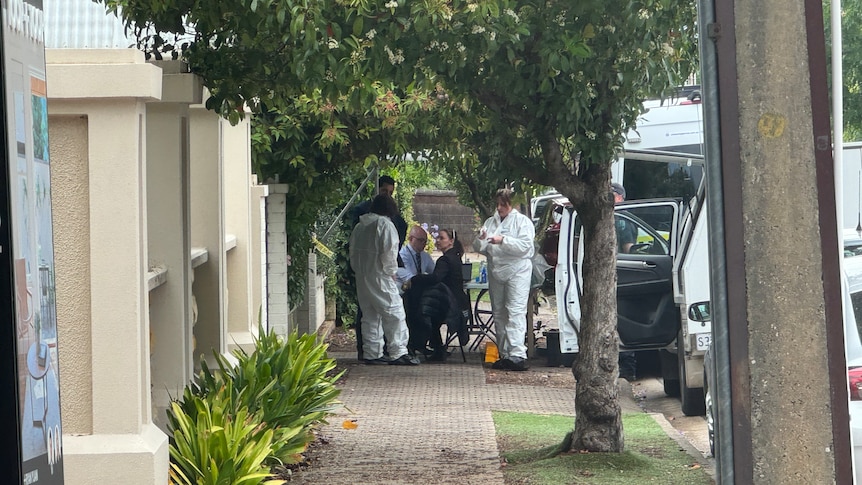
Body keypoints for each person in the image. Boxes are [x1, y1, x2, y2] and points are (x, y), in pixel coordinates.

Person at [349, 194, 419, 365]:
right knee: (394, 313)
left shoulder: (360, 226)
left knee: (370, 315)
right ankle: (398, 352)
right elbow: (389, 252)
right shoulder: (385, 225)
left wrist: (358, 270)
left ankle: (372, 353)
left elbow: (353, 251)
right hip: (380, 276)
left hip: (362, 275)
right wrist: (391, 271)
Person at [473, 188, 535, 371]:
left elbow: (525, 247)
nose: (499, 208)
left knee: (515, 310)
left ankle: (517, 354)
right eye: (498, 204)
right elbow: (480, 247)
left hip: (517, 271)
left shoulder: (523, 222)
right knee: (499, 313)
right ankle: (505, 353)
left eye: (503, 204)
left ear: (512, 204)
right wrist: (481, 238)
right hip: (496, 271)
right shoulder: (490, 222)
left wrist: (503, 240)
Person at [407, 229, 471, 361]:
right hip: (460, 303)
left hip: (450, 304)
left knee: (423, 311)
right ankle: (436, 347)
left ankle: (424, 346)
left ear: (451, 241)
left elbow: (436, 278)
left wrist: (415, 279)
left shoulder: (445, 259)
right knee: (429, 309)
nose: (438, 241)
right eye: (438, 238)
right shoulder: (456, 257)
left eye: (442, 238)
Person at [613, 182, 638, 380]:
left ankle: (628, 370)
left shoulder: (621, 220)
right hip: (618, 274)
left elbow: (629, 248)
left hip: (621, 274)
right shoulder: (621, 217)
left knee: (622, 322)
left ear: (620, 197)